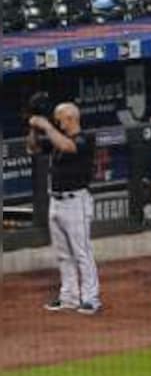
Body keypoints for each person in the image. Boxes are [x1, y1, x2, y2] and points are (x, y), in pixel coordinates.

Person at [28, 103, 101, 315]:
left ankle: (91, 299)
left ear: (70, 118)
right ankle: (69, 297)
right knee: (63, 254)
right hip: (56, 201)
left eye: (59, 119)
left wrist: (47, 127)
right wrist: (34, 127)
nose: (57, 123)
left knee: (82, 252)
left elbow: (68, 147)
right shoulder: (56, 139)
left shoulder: (85, 138)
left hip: (76, 201)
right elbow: (33, 148)